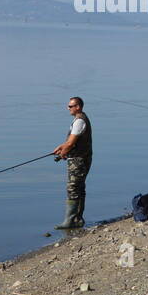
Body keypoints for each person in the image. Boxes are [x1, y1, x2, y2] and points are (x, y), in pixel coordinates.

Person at [52, 97, 92, 229]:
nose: (68, 108)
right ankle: (77, 219)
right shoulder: (79, 120)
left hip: (78, 160)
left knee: (73, 188)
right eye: (68, 106)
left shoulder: (79, 121)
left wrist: (64, 152)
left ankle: (70, 221)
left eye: (71, 106)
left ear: (78, 107)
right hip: (80, 158)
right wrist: (61, 147)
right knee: (79, 188)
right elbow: (69, 142)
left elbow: (70, 143)